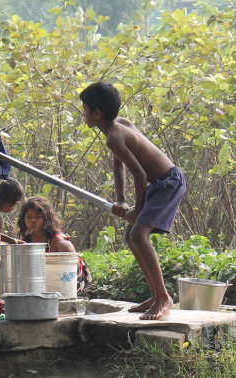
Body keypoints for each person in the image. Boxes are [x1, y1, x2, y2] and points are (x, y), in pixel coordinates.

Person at [79, 82, 187, 320]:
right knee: (130, 235)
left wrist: (137, 210)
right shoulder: (118, 127)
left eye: (85, 109)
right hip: (161, 182)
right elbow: (119, 162)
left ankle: (164, 297)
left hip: (167, 183)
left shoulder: (114, 136)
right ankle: (156, 295)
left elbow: (139, 174)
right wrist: (121, 199)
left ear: (97, 113)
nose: (83, 114)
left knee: (138, 234)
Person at [15, 196, 92, 292]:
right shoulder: (25, 241)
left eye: (38, 217)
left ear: (46, 217)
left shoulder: (59, 242)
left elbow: (73, 269)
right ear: (23, 219)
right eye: (29, 217)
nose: (33, 220)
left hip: (68, 282)